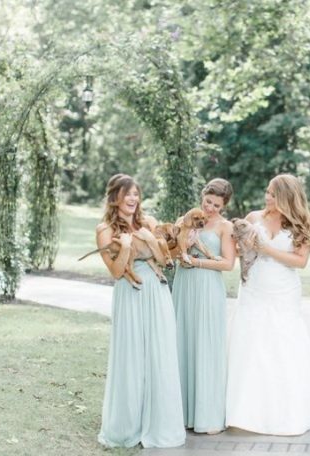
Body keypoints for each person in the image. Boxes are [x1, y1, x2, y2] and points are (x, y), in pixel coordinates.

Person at [225, 174, 310, 435]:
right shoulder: (252, 218)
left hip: (283, 289)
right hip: (254, 287)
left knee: (284, 344)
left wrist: (265, 248)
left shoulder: (302, 222)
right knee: (251, 344)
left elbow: (300, 261)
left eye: (272, 193)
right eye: (267, 191)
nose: (267, 197)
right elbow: (241, 254)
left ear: (285, 196)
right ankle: (245, 411)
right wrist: (243, 249)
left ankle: (289, 409)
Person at [96, 174, 185, 449]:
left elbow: (164, 260)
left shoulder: (149, 223)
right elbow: (116, 272)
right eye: (127, 194)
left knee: (159, 353)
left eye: (136, 194)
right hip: (130, 294)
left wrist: (149, 237)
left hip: (156, 293)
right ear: (115, 197)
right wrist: (124, 247)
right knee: (131, 355)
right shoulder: (104, 230)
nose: (133, 199)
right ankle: (127, 426)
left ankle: (159, 424)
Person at [173, 178, 236, 434]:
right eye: (208, 202)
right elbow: (171, 250)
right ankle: (180, 412)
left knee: (206, 345)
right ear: (203, 196)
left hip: (209, 288)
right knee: (183, 342)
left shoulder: (225, 227)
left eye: (216, 205)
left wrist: (197, 263)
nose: (210, 209)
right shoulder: (185, 219)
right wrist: (181, 252)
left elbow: (228, 264)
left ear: (224, 206)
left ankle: (207, 414)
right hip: (184, 285)